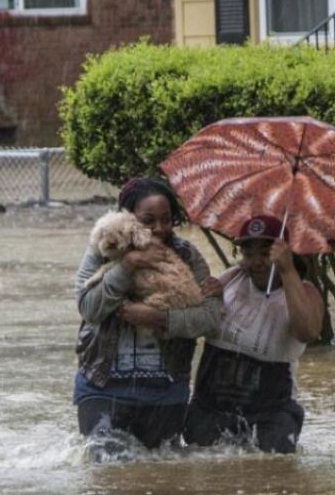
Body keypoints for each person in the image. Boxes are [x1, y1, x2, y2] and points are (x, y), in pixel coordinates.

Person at [73, 177, 223, 452]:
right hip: (102, 385)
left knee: (159, 475)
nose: (159, 228)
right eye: (148, 220)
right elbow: (88, 308)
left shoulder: (187, 256)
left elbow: (211, 319)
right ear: (127, 217)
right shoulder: (102, 248)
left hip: (165, 391)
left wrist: (159, 318)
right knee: (107, 474)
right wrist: (127, 266)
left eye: (167, 219)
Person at [183, 214, 325, 453]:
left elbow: (307, 332)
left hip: (271, 415)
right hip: (210, 409)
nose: (257, 262)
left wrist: (288, 270)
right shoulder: (231, 279)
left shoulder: (305, 291)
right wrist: (212, 296)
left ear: (283, 253)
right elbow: (191, 320)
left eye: (266, 253)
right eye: (250, 254)